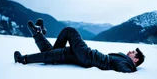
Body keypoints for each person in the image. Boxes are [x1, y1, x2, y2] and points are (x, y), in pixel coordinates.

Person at [14, 19, 145, 73]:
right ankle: (38, 34)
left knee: (70, 31)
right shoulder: (126, 61)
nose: (130, 51)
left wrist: (132, 69)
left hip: (87, 56)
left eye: (133, 52)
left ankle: (24, 59)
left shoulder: (128, 64)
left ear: (136, 59)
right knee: (56, 53)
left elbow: (126, 72)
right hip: (86, 56)